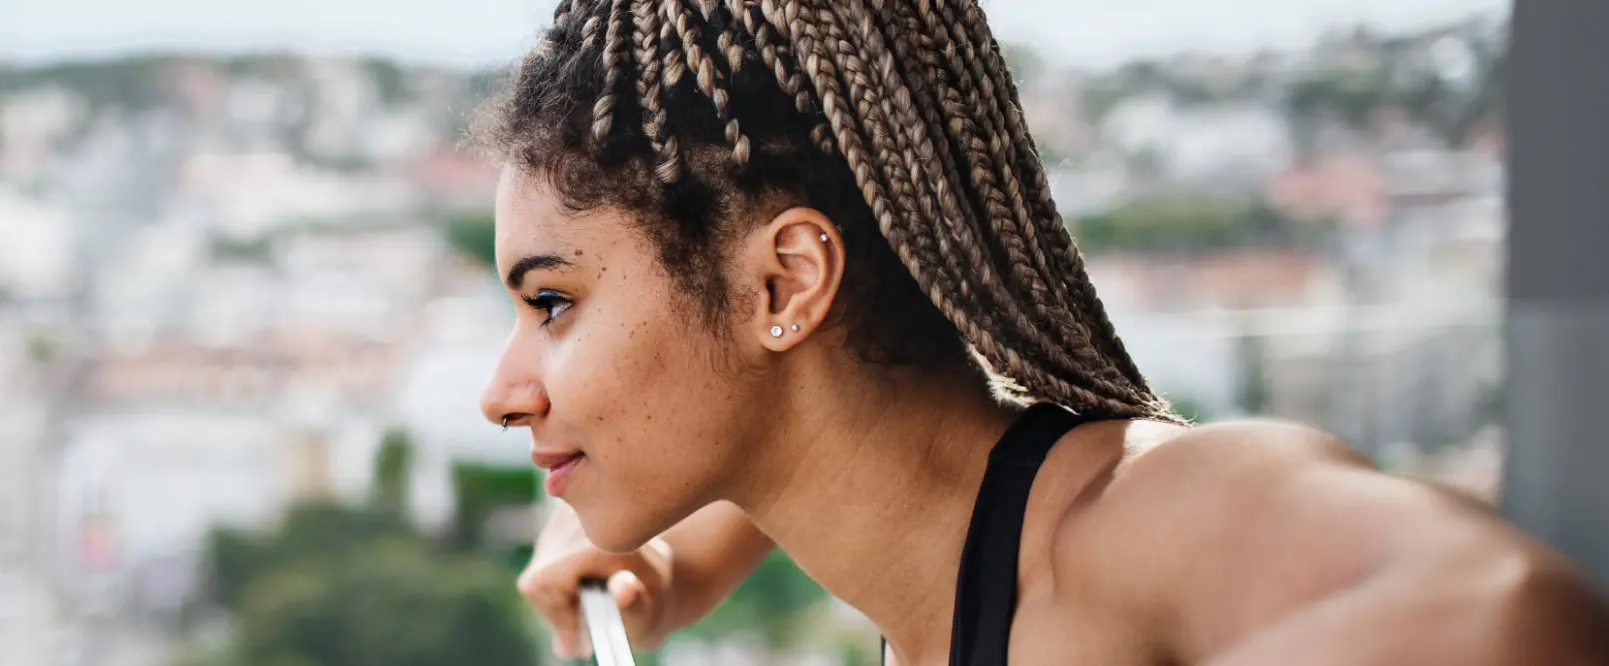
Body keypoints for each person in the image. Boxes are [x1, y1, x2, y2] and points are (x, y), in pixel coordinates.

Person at [470, 0, 1609, 663]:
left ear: (786, 286)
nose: (503, 389)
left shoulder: (1137, 517)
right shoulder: (933, 544)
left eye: (554, 304)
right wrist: (665, 561)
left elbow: (1507, 612)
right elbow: (827, 434)